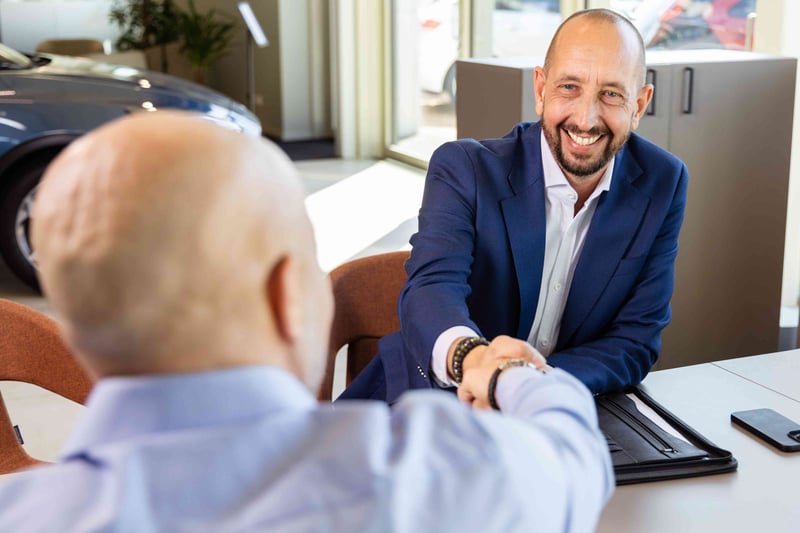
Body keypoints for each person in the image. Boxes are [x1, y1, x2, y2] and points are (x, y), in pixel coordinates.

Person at [0, 112, 613, 531]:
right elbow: (575, 451)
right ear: (286, 298)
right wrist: (508, 374)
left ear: (76, 329)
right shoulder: (432, 478)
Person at [341, 8, 688, 404]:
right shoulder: (464, 168)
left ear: (639, 105)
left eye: (611, 93)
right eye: (569, 87)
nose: (586, 119)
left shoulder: (663, 182)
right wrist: (476, 364)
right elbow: (431, 291)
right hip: (428, 404)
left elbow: (635, 341)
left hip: (556, 411)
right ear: (541, 91)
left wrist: (525, 387)